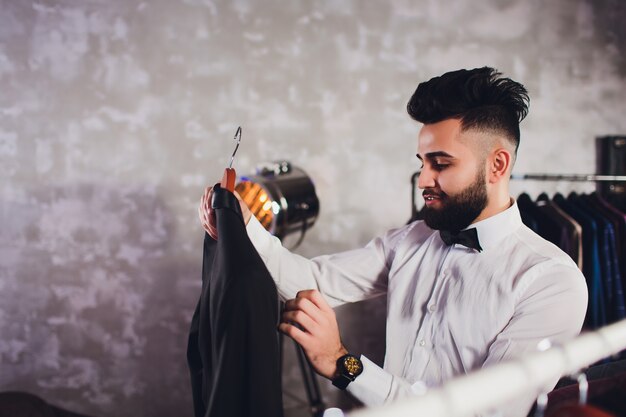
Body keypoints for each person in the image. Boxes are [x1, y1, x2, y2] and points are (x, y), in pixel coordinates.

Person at [198, 67, 588, 417]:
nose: (423, 180)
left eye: (441, 163)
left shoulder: (551, 283)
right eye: (422, 162)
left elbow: (484, 414)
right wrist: (244, 224)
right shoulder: (411, 240)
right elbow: (313, 281)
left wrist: (343, 364)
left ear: (497, 165)